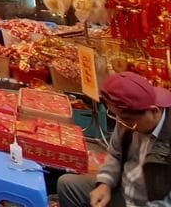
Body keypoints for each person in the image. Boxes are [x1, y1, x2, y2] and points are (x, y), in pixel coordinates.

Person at [58, 71, 171, 207]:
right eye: (119, 118)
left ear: (154, 111)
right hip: (123, 189)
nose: (125, 125)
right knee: (67, 184)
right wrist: (104, 183)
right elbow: (115, 154)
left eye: (130, 121)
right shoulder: (127, 118)